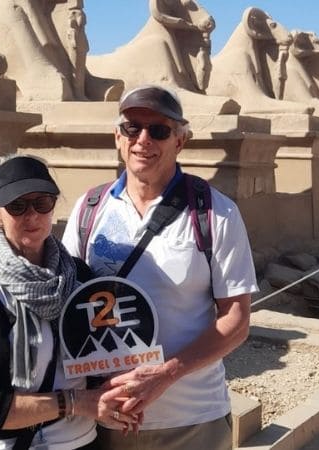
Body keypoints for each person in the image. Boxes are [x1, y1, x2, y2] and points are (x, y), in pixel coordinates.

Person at [59, 85, 257, 450]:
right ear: (118, 137)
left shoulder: (215, 212)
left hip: (192, 420)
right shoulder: (89, 209)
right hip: (108, 417)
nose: (143, 140)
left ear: (180, 141)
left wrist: (167, 374)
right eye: (133, 128)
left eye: (159, 130)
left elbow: (236, 321)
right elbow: (61, 290)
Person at [0, 155, 138, 450]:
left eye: (42, 203)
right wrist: (75, 402)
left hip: (79, 442)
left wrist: (115, 396)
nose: (32, 216)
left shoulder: (79, 276)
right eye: (17, 205)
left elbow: (100, 359)